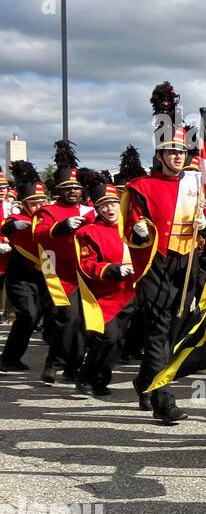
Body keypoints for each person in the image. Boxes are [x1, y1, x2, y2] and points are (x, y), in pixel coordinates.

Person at [123, 107, 204, 426]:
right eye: (171, 151)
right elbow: (131, 223)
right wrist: (138, 228)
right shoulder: (141, 186)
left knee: (174, 331)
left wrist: (205, 223)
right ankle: (163, 401)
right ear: (159, 154)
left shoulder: (195, 184)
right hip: (157, 261)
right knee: (159, 332)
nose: (178, 157)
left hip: (187, 263)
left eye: (182, 151)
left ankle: (144, 380)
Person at [34, 151, 95, 384]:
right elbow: (39, 234)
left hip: (88, 273)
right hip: (60, 274)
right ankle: (54, 362)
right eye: (67, 187)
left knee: (84, 322)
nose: (73, 191)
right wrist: (62, 226)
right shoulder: (48, 211)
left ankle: (73, 365)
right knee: (68, 319)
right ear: (59, 190)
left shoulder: (91, 211)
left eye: (76, 187)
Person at [73, 181, 138, 397]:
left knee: (119, 341)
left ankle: (101, 379)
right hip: (103, 295)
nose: (110, 209)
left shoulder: (131, 227)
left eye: (113, 204)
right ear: (97, 208)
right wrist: (111, 269)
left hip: (129, 292)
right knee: (106, 338)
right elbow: (86, 264)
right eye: (104, 205)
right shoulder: (87, 233)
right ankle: (85, 375)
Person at [1, 164, 49, 372]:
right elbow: (7, 226)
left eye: (41, 200)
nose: (39, 205)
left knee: (38, 316)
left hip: (44, 274)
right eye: (34, 202)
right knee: (27, 315)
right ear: (24, 204)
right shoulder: (18, 218)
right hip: (20, 276)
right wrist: (13, 227)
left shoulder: (48, 218)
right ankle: (8, 358)